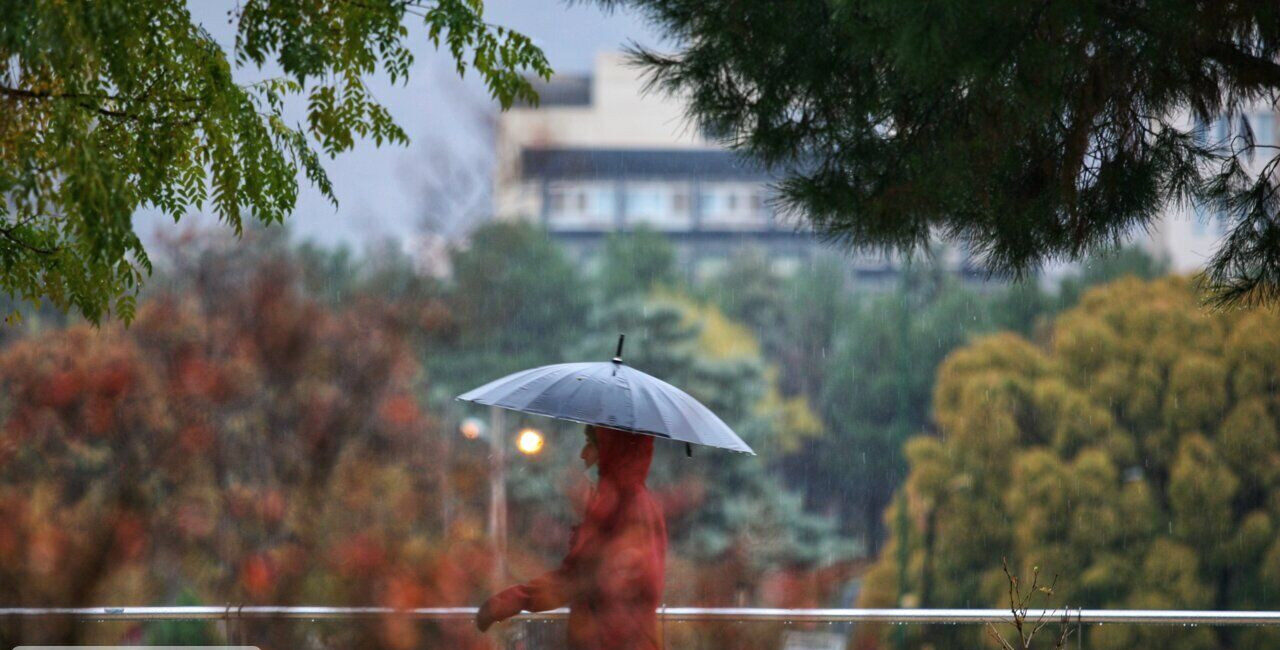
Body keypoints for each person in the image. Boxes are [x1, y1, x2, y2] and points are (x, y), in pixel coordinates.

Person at [475, 425, 667, 649]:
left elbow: (579, 579)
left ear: (610, 451)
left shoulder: (626, 506)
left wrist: (513, 600)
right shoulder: (625, 503)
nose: (583, 454)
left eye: (590, 444)